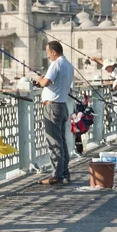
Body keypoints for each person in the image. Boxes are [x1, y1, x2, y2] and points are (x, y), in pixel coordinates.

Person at [35, 41, 74, 185]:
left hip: (52, 108)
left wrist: (39, 80)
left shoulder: (56, 64)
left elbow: (46, 83)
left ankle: (56, 176)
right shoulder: (68, 65)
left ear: (53, 52)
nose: (48, 55)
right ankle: (64, 173)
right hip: (62, 106)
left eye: (48, 53)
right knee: (62, 142)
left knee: (54, 143)